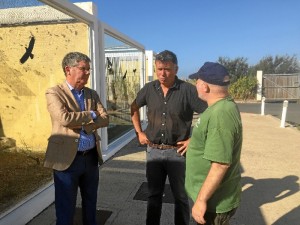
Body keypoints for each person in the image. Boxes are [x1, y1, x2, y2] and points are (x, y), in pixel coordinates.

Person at [130, 50, 207, 225]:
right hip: (154, 152)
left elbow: (209, 114)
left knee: (180, 196)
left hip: (177, 153)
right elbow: (133, 107)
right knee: (153, 195)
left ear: (176, 69)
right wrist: (139, 133)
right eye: (159, 69)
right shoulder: (149, 89)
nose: (162, 74)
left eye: (167, 69)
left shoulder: (188, 90)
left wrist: (193, 140)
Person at [44, 52, 109, 225]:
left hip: (90, 158)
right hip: (66, 161)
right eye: (83, 69)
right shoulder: (54, 92)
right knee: (66, 208)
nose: (88, 72)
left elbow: (105, 119)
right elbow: (64, 119)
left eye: (89, 69)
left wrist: (85, 123)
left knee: (91, 203)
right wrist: (92, 114)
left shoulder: (91, 94)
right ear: (68, 69)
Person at [185, 62, 243, 225]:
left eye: (196, 81)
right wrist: (196, 142)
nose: (195, 84)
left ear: (204, 86)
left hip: (213, 203)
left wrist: (201, 200)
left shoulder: (220, 114)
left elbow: (220, 164)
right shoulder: (221, 107)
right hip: (211, 199)